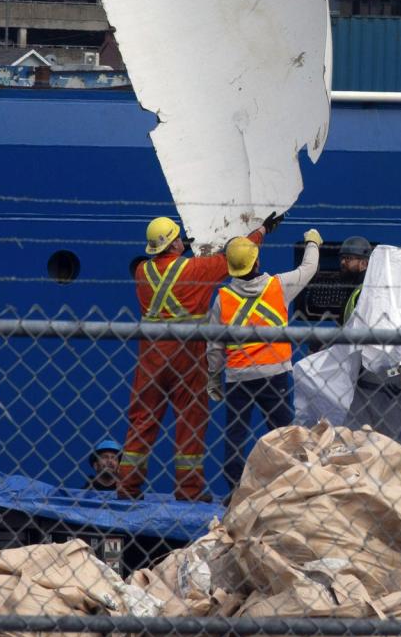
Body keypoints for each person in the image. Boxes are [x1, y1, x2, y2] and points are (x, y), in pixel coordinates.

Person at [119, 211, 284, 501]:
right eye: (178, 238)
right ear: (173, 245)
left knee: (143, 417)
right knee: (190, 419)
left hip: (151, 353)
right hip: (188, 352)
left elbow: (169, 272)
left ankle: (128, 487)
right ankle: (189, 490)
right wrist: (261, 231)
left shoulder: (141, 272)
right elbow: (231, 258)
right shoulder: (195, 270)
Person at [207, 228, 322, 496]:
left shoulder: (223, 299)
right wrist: (312, 242)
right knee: (284, 434)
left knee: (235, 436)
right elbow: (309, 267)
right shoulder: (278, 286)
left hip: (238, 377)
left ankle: (236, 489)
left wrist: (214, 377)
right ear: (257, 261)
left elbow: (214, 344)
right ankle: (293, 485)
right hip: (276, 374)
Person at [337, 235, 373, 324]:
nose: (342, 262)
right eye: (342, 257)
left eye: (348, 258)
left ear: (364, 263)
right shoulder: (355, 286)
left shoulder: (365, 291)